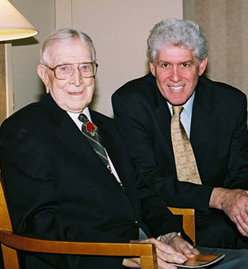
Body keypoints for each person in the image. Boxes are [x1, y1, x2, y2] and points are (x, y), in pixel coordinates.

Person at [0, 28, 248, 269]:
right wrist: (123, 251)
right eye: (64, 69)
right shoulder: (24, 130)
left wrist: (170, 234)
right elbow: (39, 224)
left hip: (149, 250)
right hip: (95, 259)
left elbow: (141, 191)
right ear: (45, 75)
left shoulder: (107, 127)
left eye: (85, 67)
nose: (77, 80)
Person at [112, 18, 248, 249]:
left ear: (201, 65)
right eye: (165, 65)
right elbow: (147, 180)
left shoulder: (230, 103)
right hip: (162, 215)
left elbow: (240, 173)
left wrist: (240, 203)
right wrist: (219, 198)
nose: (175, 77)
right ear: (152, 67)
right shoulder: (131, 102)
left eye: (185, 64)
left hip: (221, 216)